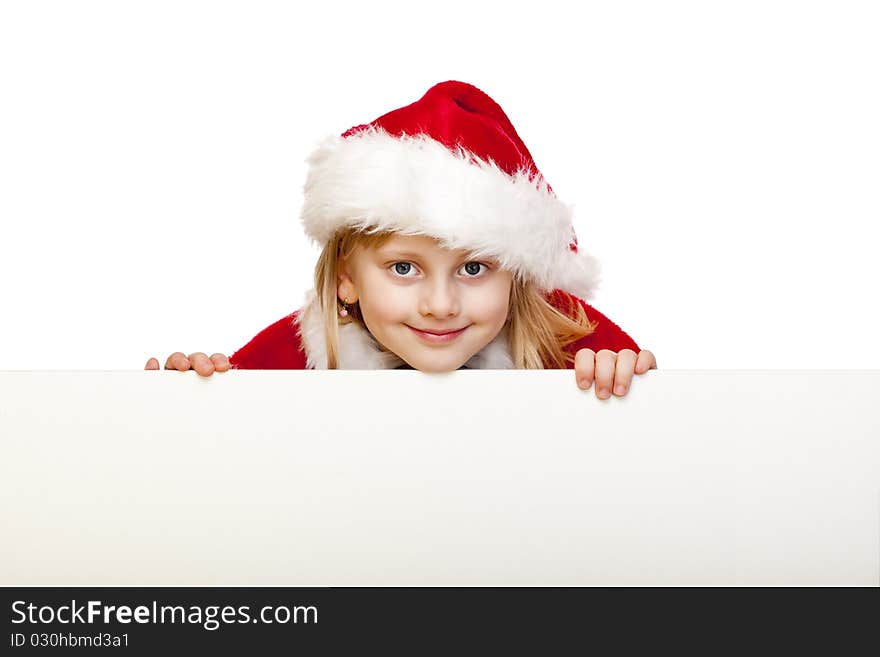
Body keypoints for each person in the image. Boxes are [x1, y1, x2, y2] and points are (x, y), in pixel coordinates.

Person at [146, 80, 657, 399]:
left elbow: (661, 442)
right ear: (346, 278)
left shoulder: (566, 334)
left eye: (474, 268)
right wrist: (197, 393)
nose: (440, 305)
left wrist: (622, 375)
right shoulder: (295, 350)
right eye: (404, 268)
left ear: (516, 271)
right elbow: (218, 458)